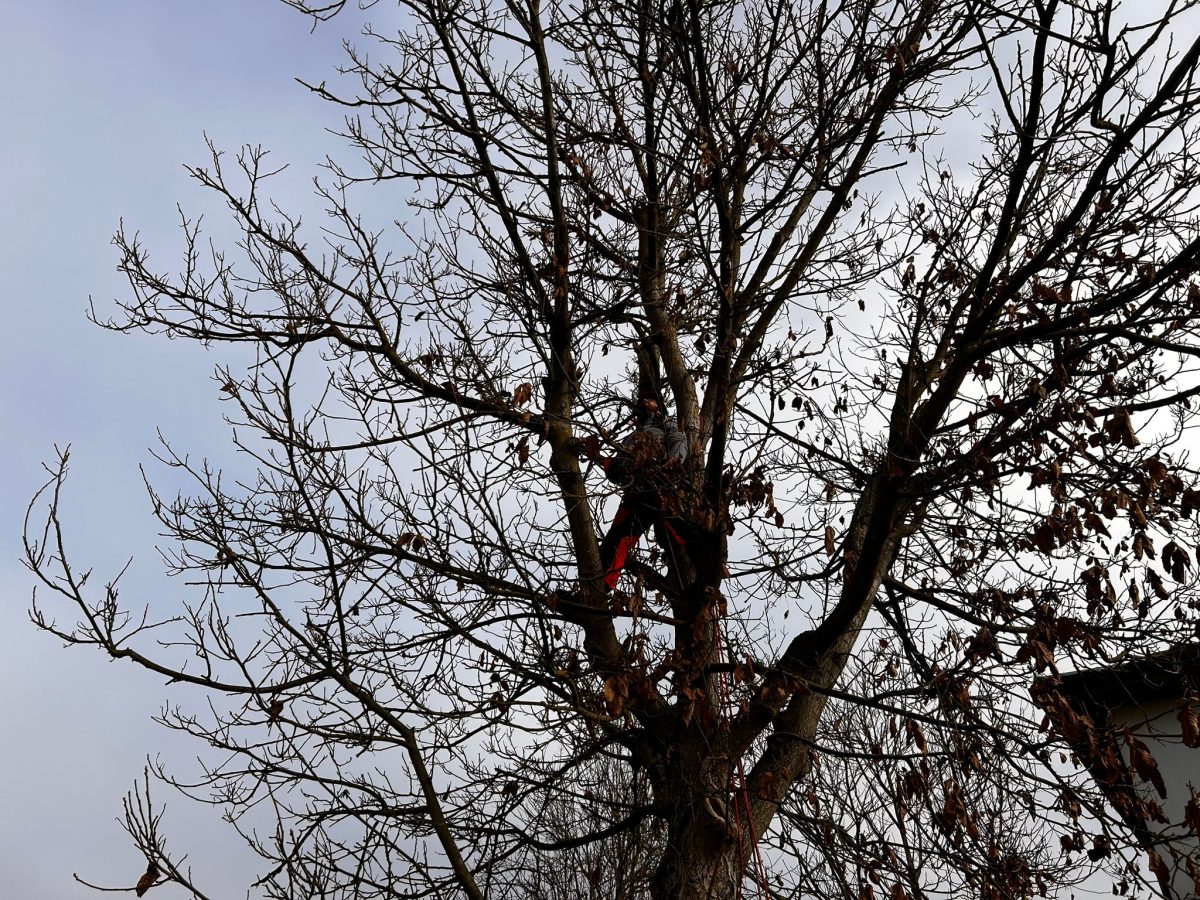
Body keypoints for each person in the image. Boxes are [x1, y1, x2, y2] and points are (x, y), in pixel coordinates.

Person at [598, 398, 689, 591]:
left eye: (651, 399)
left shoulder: (666, 424)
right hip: (636, 494)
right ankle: (600, 587)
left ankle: (704, 559)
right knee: (616, 540)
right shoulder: (631, 437)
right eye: (644, 400)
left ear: (660, 407)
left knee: (677, 532)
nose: (646, 401)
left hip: (661, 486)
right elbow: (619, 471)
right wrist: (603, 460)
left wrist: (672, 462)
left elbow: (680, 441)